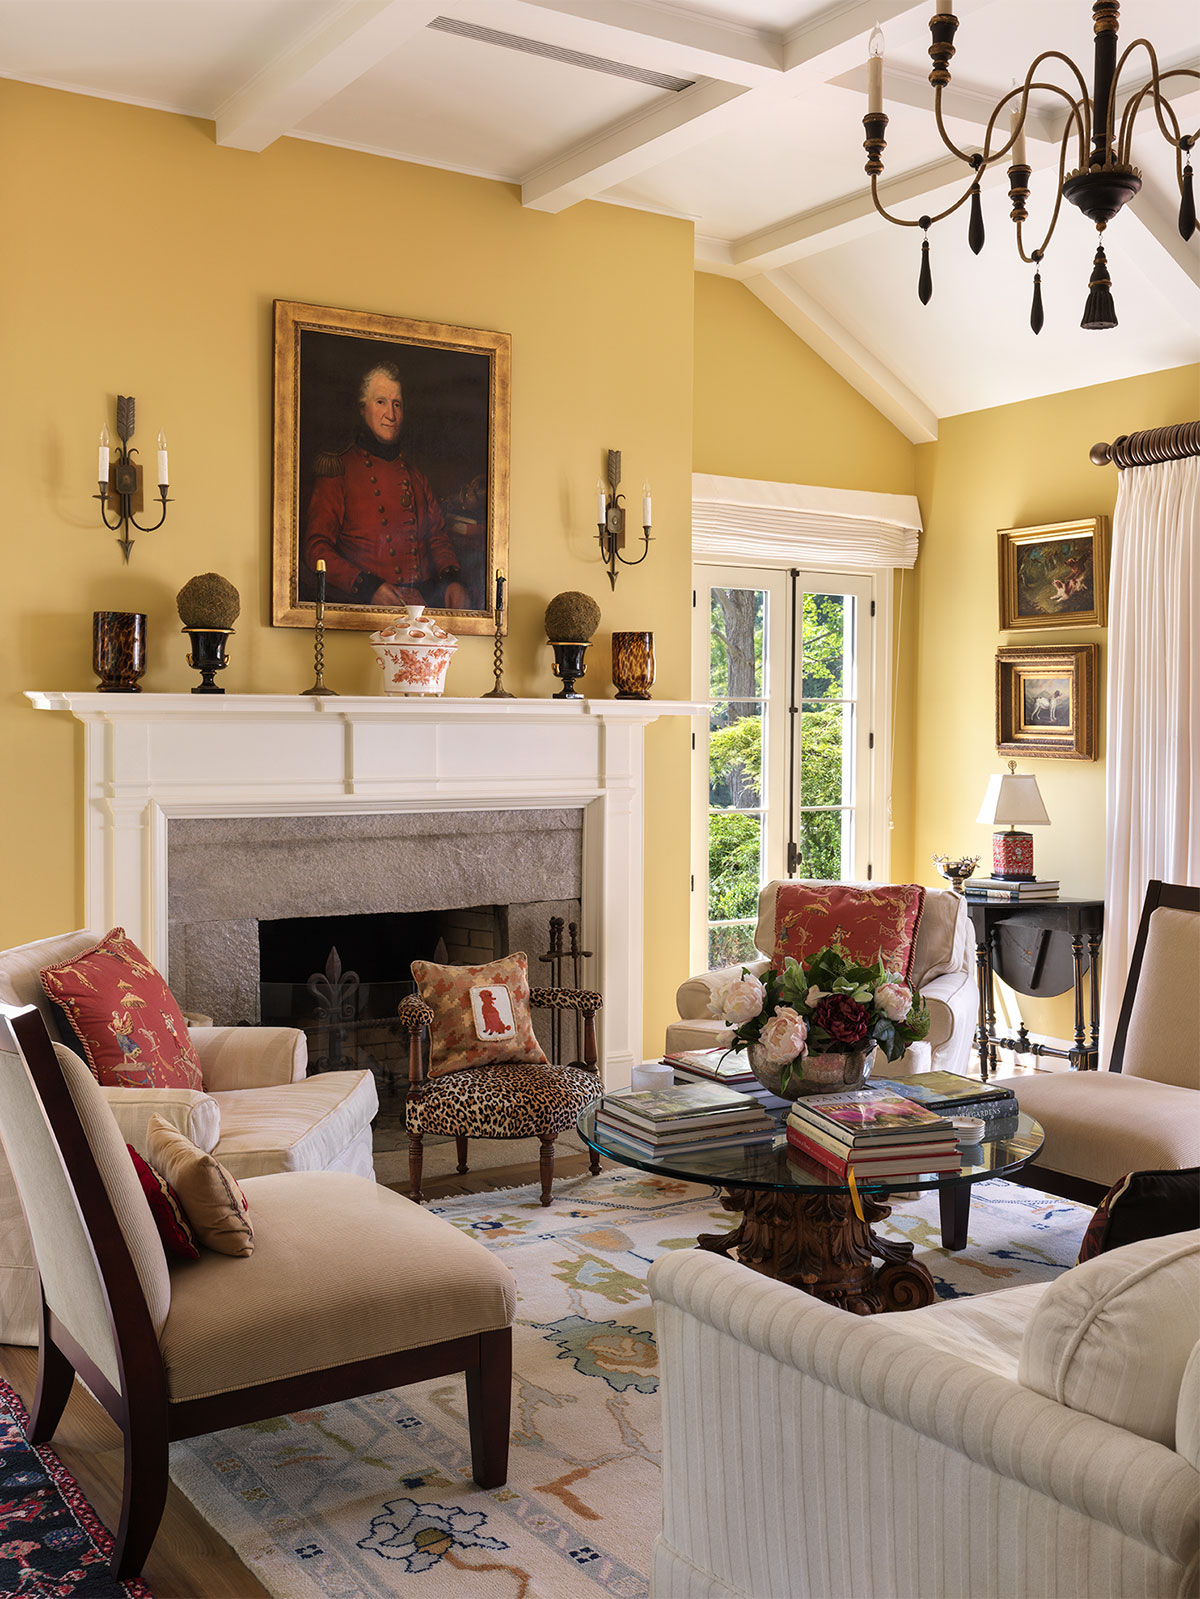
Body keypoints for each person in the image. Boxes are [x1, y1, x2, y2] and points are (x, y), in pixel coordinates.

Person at [302, 362, 470, 609]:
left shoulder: (415, 475)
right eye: (381, 402)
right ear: (362, 408)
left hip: (422, 606)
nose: (391, 415)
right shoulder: (338, 470)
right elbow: (317, 550)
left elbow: (437, 536)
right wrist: (367, 586)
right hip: (364, 605)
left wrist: (452, 580)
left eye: (397, 404)